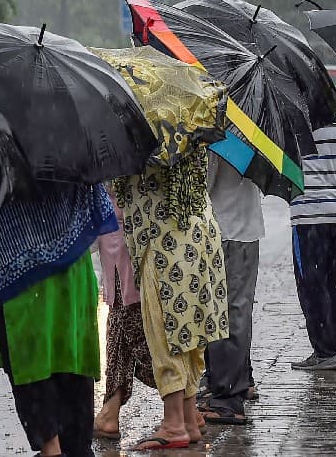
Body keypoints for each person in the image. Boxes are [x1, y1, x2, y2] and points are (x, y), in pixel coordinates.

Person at [0, 182, 117, 457]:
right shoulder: (74, 142)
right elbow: (98, 211)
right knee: (69, 356)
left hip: (16, 269)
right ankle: (73, 445)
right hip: (70, 261)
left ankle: (52, 447)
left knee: (30, 360)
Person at [112, 152, 229, 450]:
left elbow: (120, 181)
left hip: (163, 236)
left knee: (166, 330)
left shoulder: (146, 128)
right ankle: (188, 418)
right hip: (200, 229)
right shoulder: (190, 116)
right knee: (190, 331)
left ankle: (173, 422)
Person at [200, 153, 265, 424]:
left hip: (225, 230)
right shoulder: (255, 135)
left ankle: (228, 398)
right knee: (236, 309)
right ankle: (237, 379)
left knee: (225, 313)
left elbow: (204, 185)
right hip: (246, 227)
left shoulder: (222, 138)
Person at [289, 113, 336, 371]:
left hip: (308, 213)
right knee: (335, 284)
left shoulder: (296, 120)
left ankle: (323, 351)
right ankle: (333, 347)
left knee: (311, 285)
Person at [93, 198, 155, 440]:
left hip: (126, 244)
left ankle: (183, 401)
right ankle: (110, 409)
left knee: (134, 329)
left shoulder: (120, 164)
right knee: (120, 328)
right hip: (122, 241)